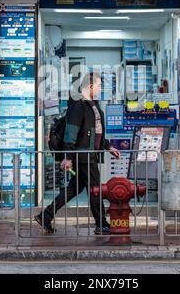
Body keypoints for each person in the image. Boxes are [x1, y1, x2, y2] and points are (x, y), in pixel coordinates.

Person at [35, 72, 121, 234]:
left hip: (89, 155)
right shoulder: (78, 106)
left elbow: (96, 132)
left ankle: (45, 215)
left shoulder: (93, 105)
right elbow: (70, 134)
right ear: (90, 86)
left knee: (73, 189)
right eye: (98, 85)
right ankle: (101, 223)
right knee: (95, 189)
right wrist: (68, 157)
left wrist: (108, 147)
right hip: (84, 156)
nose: (100, 88)